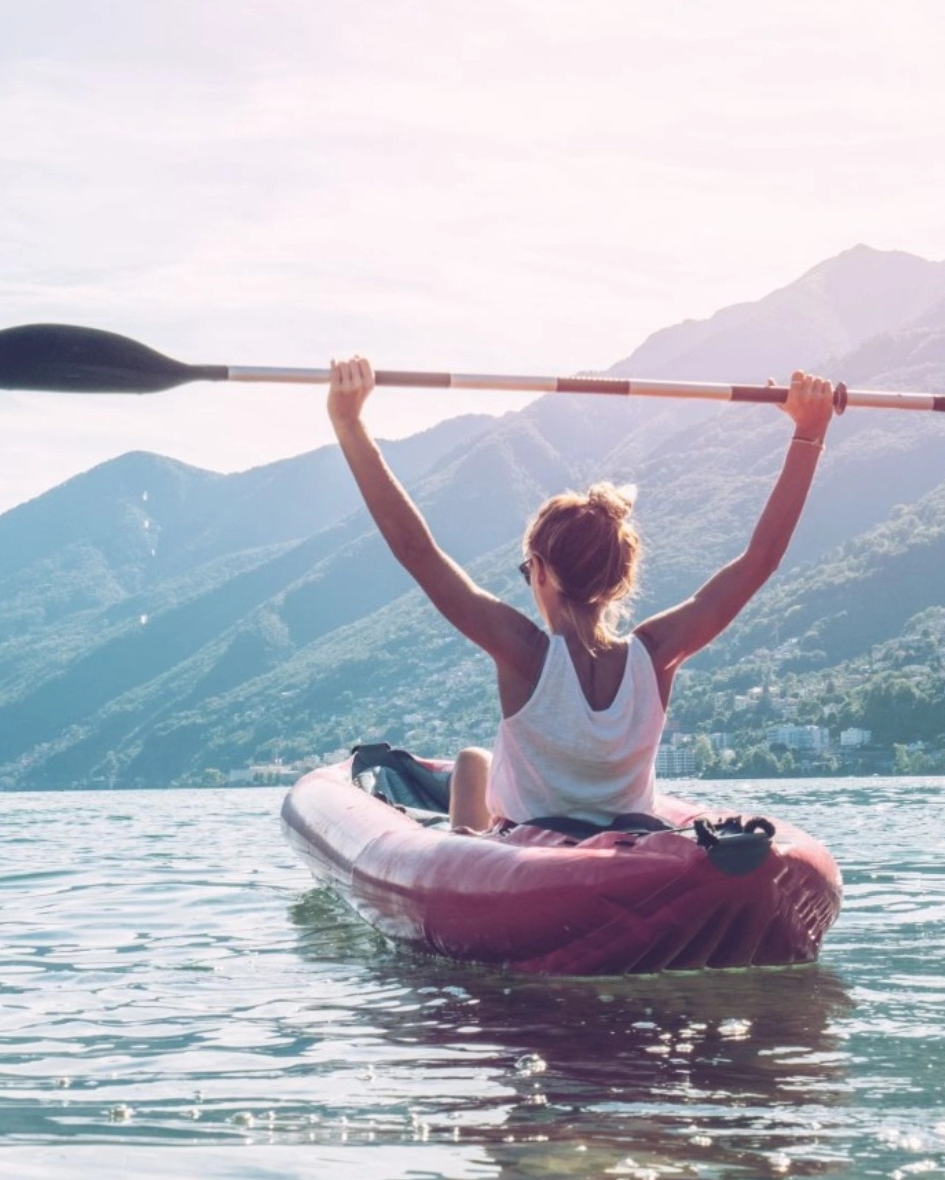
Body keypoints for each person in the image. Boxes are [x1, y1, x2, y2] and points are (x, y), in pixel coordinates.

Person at [327, 356, 839, 832]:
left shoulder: (525, 654)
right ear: (620, 577)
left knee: (469, 761)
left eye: (527, 568)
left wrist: (350, 425)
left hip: (528, 864)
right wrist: (809, 433)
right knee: (473, 762)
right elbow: (761, 559)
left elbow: (417, 550)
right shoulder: (656, 655)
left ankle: (453, 866)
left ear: (543, 571)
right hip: (630, 850)